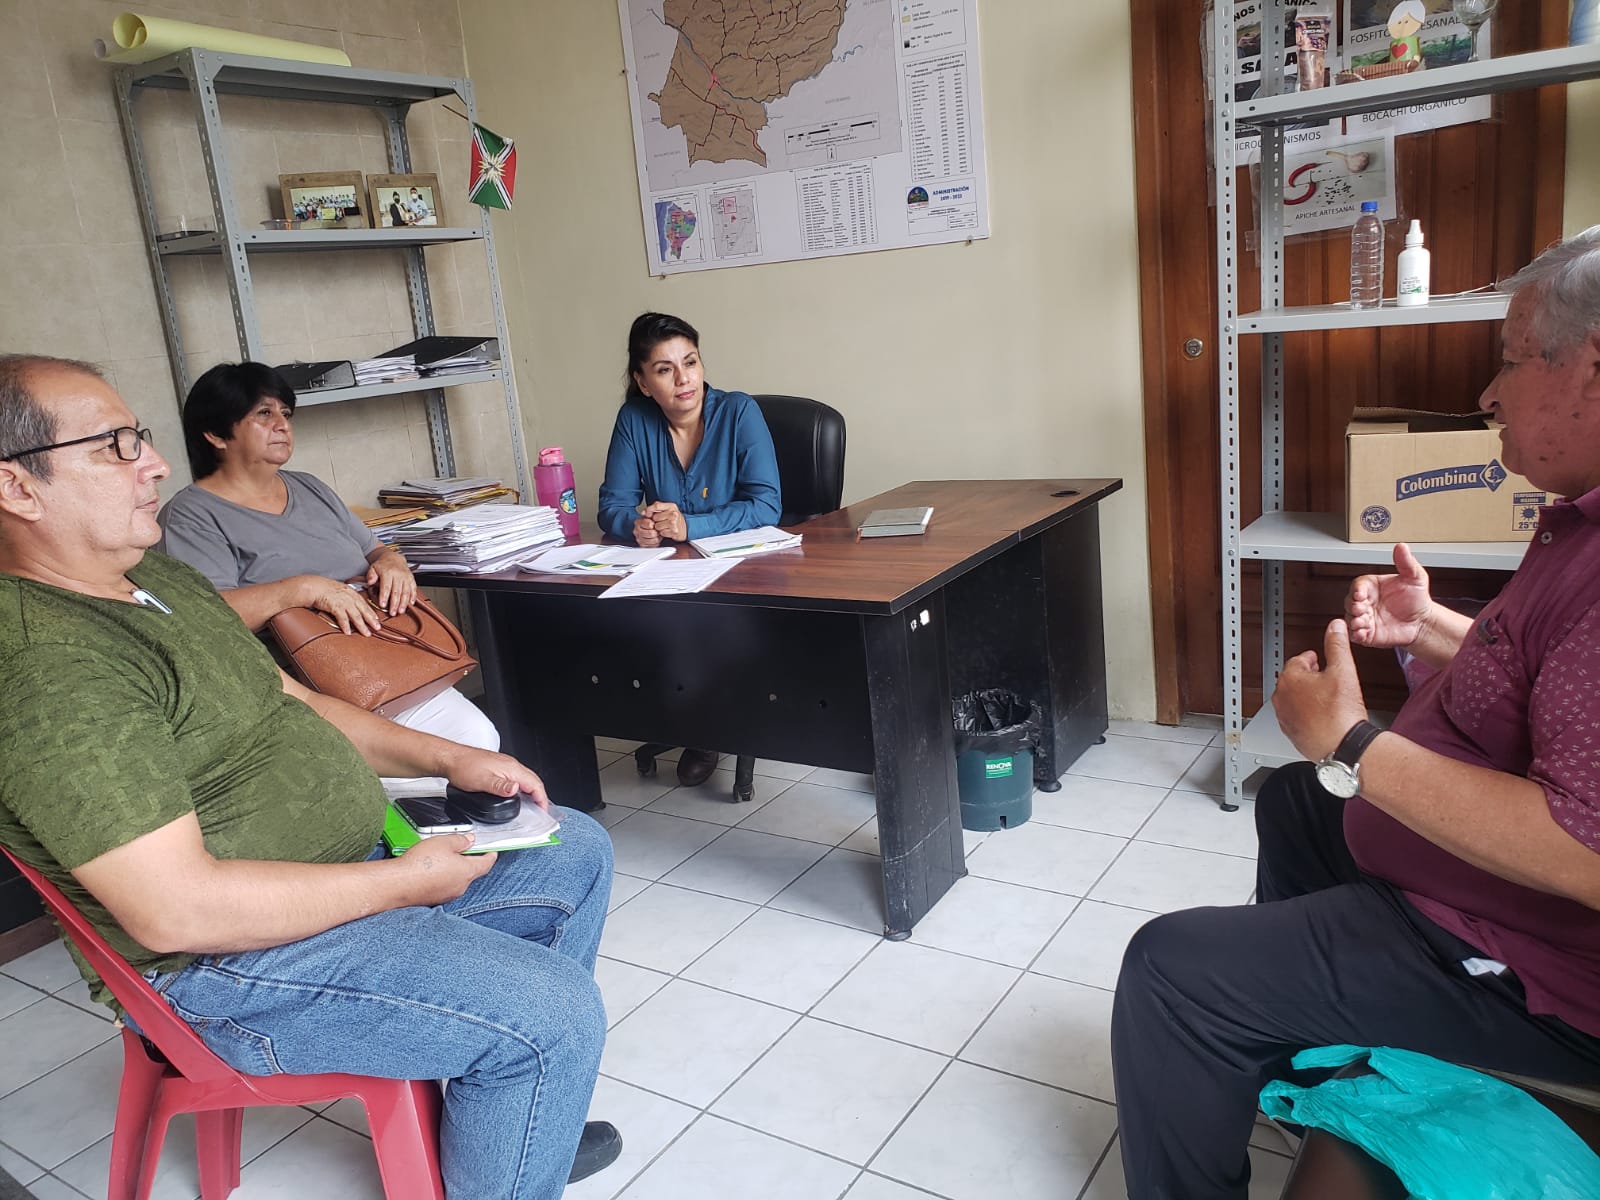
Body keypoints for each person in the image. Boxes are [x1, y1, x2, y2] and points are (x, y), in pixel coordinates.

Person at [0, 354, 621, 1197]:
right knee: (552, 1012)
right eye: (115, 446)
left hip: (341, 874)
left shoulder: (154, 578)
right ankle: (521, 1086)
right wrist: (403, 885)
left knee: (572, 848)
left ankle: (516, 1123)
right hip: (224, 967)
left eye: (138, 436)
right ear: (17, 487)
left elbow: (298, 700)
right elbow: (176, 910)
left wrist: (449, 756)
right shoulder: (48, 668)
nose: (154, 462)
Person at [1110, 228, 1600, 1197]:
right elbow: (1553, 684)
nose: (1489, 394)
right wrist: (1432, 628)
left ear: (1591, 369)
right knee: (1300, 802)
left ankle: (1235, 1029)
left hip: (1534, 969)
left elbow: (1583, 850)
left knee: (1170, 970)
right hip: (1482, 900)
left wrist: (1353, 742)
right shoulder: (1577, 520)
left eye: (1509, 362)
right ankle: (1308, 1061)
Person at [158, 361, 498, 798]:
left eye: (285, 413)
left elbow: (375, 550)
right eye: (263, 414)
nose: (282, 425)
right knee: (422, 784)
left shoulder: (310, 488)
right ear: (216, 434)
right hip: (306, 690)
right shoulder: (191, 516)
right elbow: (204, 619)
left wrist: (392, 561)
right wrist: (302, 590)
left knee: (477, 739)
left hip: (388, 662)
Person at [596, 311, 781, 787]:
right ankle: (686, 717)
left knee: (699, 630)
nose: (684, 379)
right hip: (674, 573)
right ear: (643, 382)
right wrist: (636, 525)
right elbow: (612, 506)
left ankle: (706, 730)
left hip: (744, 571)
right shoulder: (634, 420)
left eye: (691, 362)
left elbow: (767, 506)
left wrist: (688, 526)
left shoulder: (738, 412)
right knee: (622, 625)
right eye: (665, 369)